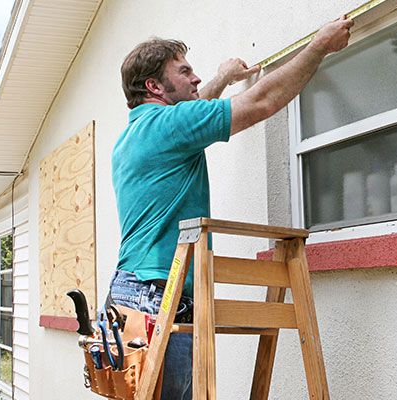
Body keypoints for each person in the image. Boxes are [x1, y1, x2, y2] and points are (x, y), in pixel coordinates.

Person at [109, 16, 354, 399]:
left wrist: (222, 79)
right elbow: (262, 101)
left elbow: (191, 113)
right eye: (184, 71)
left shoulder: (136, 133)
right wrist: (320, 45)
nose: (195, 78)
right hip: (158, 296)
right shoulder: (169, 126)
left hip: (132, 294)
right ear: (154, 86)